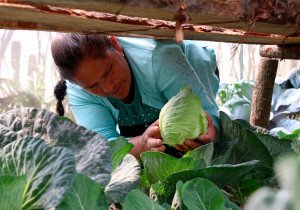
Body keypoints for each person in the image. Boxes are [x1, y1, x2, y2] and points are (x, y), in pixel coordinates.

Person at [52, 33, 220, 159]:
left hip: (191, 65)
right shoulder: (78, 90)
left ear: (116, 45)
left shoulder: (159, 57)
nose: (109, 86)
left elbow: (207, 112)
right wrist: (142, 144)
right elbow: (102, 149)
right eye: (93, 85)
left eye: (108, 71)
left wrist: (209, 134)